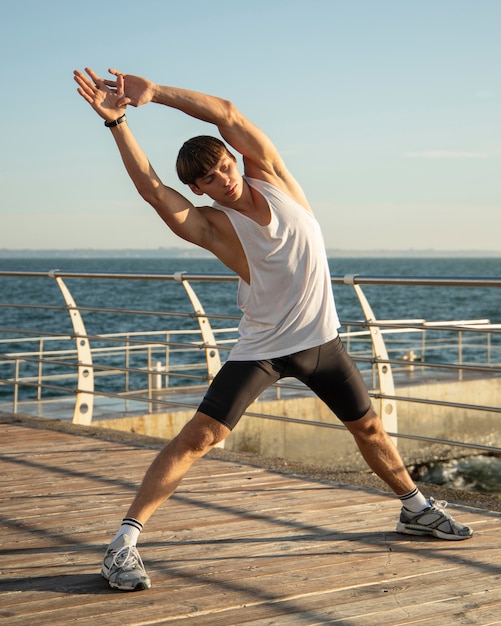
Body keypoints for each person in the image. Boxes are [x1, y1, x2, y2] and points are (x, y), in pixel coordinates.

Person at [74, 67, 473, 591]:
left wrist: (159, 94)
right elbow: (153, 191)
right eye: (209, 179)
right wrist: (118, 123)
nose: (224, 178)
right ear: (198, 189)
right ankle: (122, 543)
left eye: (223, 165)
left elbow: (228, 114)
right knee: (201, 436)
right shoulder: (213, 227)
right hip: (263, 348)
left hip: (322, 342)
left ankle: (414, 509)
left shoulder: (273, 177)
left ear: (232, 158)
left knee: (369, 428)